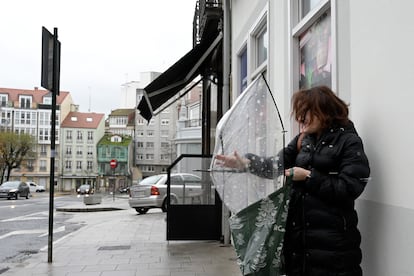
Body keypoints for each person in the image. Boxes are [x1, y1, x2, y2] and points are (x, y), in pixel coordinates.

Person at [215, 85, 370, 276]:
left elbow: (350, 187)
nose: (299, 119)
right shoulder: (303, 140)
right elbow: (274, 165)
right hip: (300, 245)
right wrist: (245, 163)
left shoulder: (348, 142)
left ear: (324, 110)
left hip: (333, 246)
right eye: (298, 113)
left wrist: (308, 177)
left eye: (305, 113)